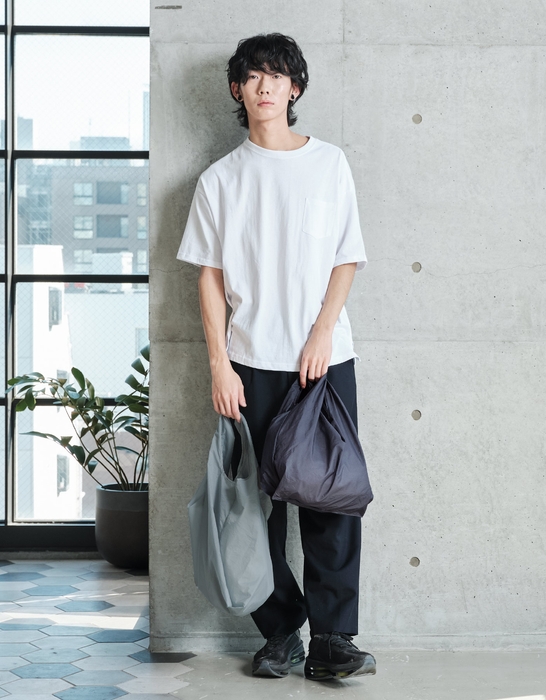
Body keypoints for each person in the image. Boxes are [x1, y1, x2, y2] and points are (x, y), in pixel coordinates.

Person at [177, 32, 375, 682]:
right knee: (252, 511)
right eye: (254, 76)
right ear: (237, 90)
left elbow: (346, 256)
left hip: (324, 362)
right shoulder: (219, 180)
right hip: (249, 364)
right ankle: (281, 631)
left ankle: (333, 642)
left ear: (295, 88)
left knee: (330, 501)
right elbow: (208, 277)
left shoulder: (329, 164)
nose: (266, 86)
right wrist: (218, 363)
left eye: (278, 75)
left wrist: (322, 332)